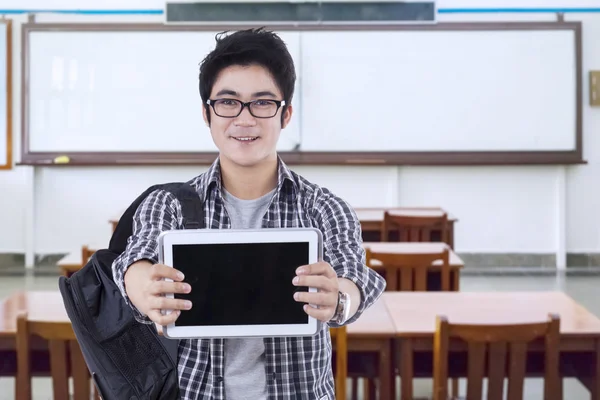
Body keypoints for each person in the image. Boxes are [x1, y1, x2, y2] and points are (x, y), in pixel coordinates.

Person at [112, 27, 386, 400]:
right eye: (227, 102)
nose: (244, 119)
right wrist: (144, 288)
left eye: (262, 103)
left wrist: (339, 298)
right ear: (207, 114)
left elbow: (356, 278)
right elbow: (135, 259)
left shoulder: (322, 207)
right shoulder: (170, 204)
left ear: (285, 114)